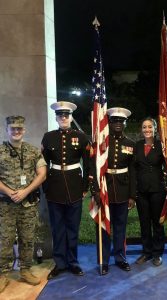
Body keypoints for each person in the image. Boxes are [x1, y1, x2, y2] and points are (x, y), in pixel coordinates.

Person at [42, 101, 90, 280]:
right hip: (54, 188)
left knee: (72, 227)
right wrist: (46, 187)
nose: (63, 118)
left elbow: (89, 164)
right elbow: (43, 164)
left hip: (75, 186)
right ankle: (59, 263)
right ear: (56, 117)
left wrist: (85, 186)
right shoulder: (48, 137)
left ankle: (73, 262)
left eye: (66, 115)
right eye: (60, 115)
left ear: (70, 117)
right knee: (57, 228)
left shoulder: (81, 137)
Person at [0, 116, 47, 292]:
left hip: (28, 204)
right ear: (7, 130)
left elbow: (42, 173)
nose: (16, 131)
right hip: (5, 205)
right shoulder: (0, 151)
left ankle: (25, 270)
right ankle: (2, 273)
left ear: (24, 130)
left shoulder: (33, 151)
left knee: (27, 238)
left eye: (19, 129)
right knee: (5, 239)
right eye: (13, 128)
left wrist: (25, 192)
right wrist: (8, 191)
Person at [91, 107, 136, 275]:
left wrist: (132, 195)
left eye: (121, 121)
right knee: (103, 227)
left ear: (125, 123)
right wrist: (95, 190)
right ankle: (103, 260)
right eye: (114, 121)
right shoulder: (101, 143)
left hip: (123, 190)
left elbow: (133, 171)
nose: (118, 123)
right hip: (105, 189)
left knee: (120, 226)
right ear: (109, 123)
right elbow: (93, 168)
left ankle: (120, 258)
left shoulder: (130, 144)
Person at [134, 117, 167, 266]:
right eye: (144, 127)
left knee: (157, 223)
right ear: (141, 130)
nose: (147, 130)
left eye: (150, 127)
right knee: (144, 223)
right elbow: (133, 168)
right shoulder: (136, 146)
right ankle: (146, 252)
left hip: (157, 189)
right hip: (141, 190)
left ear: (155, 129)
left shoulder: (161, 145)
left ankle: (157, 253)